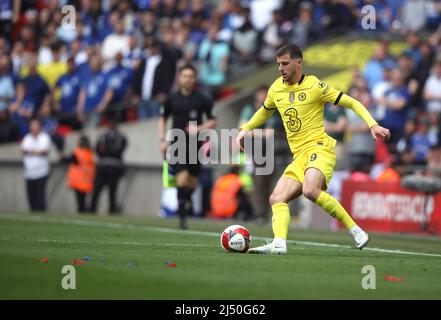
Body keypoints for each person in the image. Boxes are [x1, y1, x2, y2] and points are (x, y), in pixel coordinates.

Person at [236, 44, 390, 254]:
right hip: (299, 156)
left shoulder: (315, 86)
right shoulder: (276, 88)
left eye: (285, 63)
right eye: (278, 64)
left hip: (320, 148)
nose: (280, 68)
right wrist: (245, 128)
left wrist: (372, 124)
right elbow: (264, 112)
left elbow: (351, 102)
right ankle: (279, 243)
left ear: (298, 63)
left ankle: (356, 230)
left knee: (310, 190)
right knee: (277, 198)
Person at [158, 64, 217, 229]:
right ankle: (182, 216)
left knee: (192, 182)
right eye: (184, 76)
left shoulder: (202, 98)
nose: (187, 79)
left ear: (195, 78)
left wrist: (198, 129)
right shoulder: (172, 99)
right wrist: (162, 140)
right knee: (182, 178)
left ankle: (187, 199)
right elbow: (162, 119)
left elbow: (213, 120)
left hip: (196, 145)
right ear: (179, 78)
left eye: (191, 76)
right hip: (177, 144)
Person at [90, 119, 127, 214]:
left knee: (111, 191)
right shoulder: (104, 136)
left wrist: (106, 152)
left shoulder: (120, 137)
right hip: (106, 165)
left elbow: (117, 150)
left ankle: (110, 210)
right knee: (99, 190)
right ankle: (93, 209)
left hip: (111, 165)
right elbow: (98, 149)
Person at [21, 118, 51, 211]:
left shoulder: (44, 137)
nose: (34, 127)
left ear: (40, 126)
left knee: (40, 197)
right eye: (32, 125)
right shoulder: (27, 137)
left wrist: (30, 151)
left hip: (41, 172)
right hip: (29, 173)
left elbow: (42, 151)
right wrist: (35, 151)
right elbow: (23, 151)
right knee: (31, 197)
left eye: (36, 125)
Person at [65, 136, 95, 213]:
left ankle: (82, 210)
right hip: (87, 180)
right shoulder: (90, 152)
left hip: (78, 180)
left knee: (80, 200)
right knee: (83, 200)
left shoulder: (77, 152)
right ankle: (84, 210)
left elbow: (72, 161)